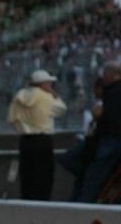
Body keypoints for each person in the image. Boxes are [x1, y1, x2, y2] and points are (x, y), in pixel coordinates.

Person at [6, 69, 66, 201]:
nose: (50, 86)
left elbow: (12, 119)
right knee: (44, 178)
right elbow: (61, 109)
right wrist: (54, 94)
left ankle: (28, 203)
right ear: (42, 84)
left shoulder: (18, 96)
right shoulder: (46, 97)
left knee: (27, 177)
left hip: (25, 141)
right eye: (49, 83)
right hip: (43, 140)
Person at [78, 62, 121, 203]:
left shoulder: (112, 91)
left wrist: (99, 118)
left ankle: (82, 205)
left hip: (110, 140)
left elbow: (110, 118)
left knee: (93, 177)